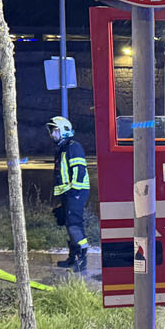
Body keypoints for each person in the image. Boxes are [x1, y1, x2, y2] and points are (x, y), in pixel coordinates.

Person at [48, 115, 90, 271]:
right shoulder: (63, 148)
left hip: (76, 192)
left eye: (55, 131)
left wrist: (74, 192)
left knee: (74, 225)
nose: (53, 134)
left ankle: (81, 259)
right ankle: (73, 258)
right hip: (69, 193)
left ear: (64, 131)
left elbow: (79, 169)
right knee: (69, 224)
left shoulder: (73, 146)